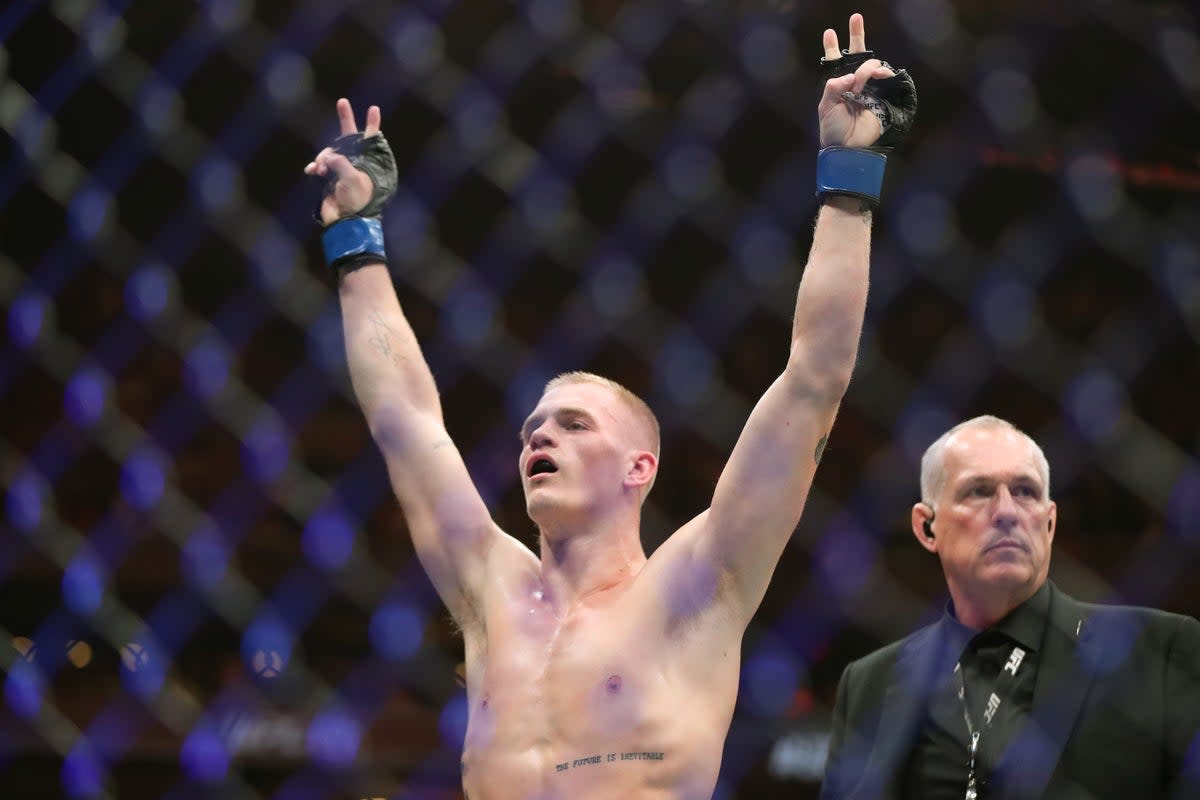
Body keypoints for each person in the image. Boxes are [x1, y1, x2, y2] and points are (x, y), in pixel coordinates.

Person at [306, 13, 915, 799]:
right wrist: (357, 241)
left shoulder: (698, 582)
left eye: (573, 422)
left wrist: (850, 176)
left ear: (641, 466)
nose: (539, 436)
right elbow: (403, 420)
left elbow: (813, 379)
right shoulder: (492, 590)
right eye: (532, 428)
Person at [820, 415, 1200, 800]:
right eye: (978, 491)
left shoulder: (1159, 648)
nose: (1006, 511)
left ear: (1049, 524)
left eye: (1025, 491)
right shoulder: (870, 682)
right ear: (927, 528)